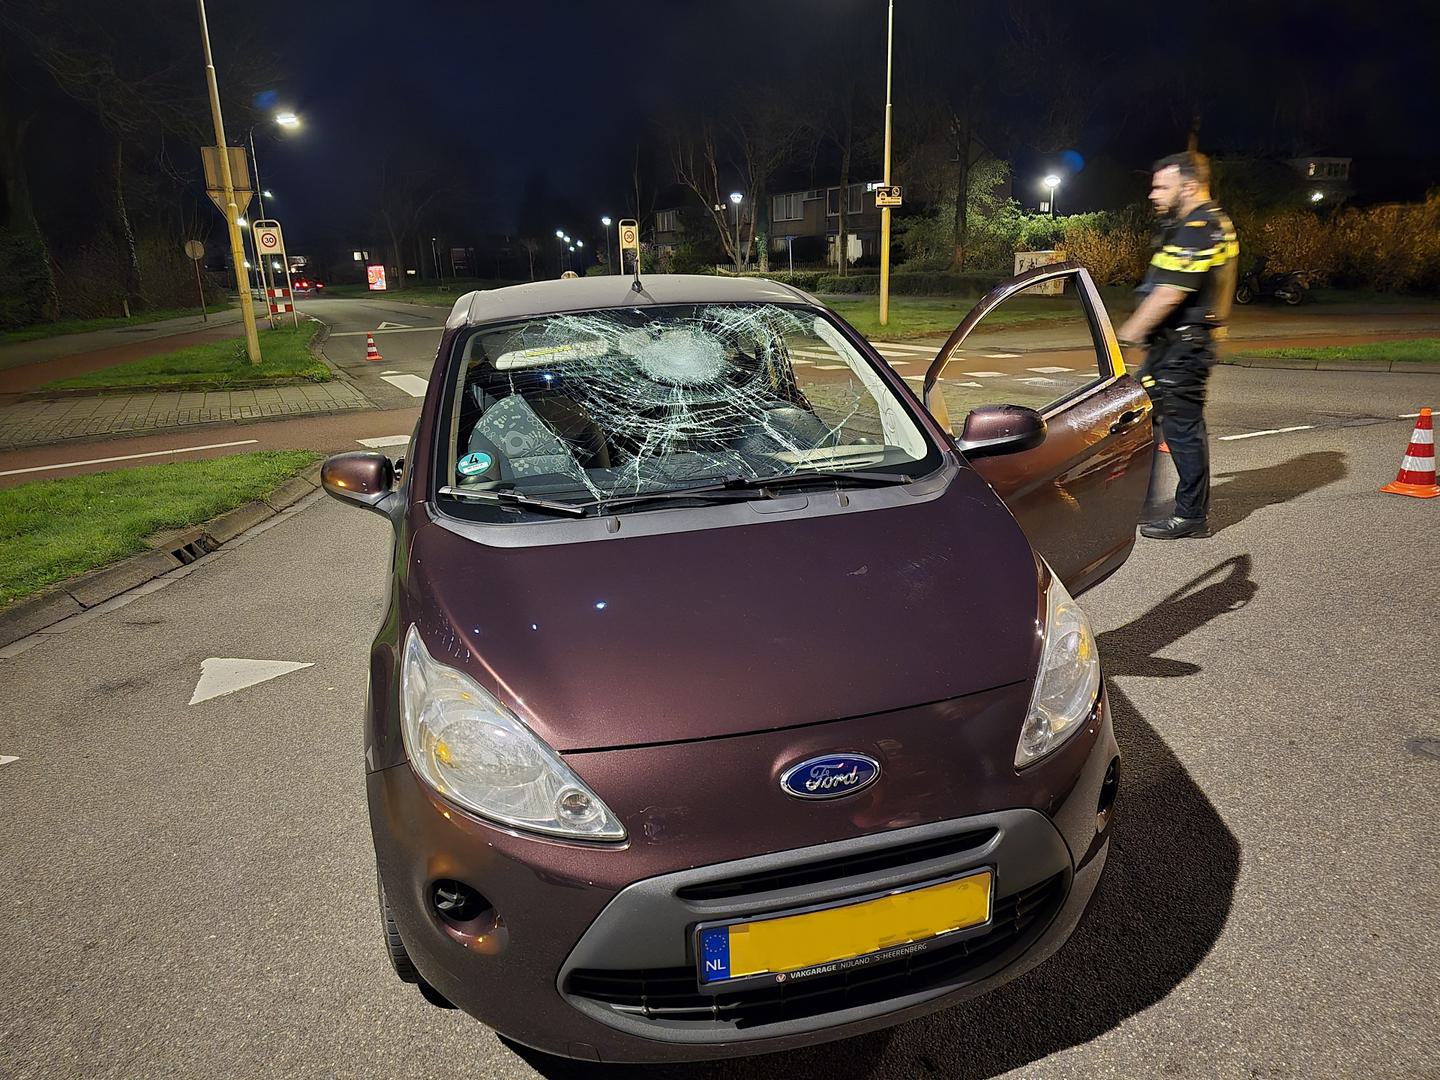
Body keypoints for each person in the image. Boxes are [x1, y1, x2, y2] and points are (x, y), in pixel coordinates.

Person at [1117, 151, 1238, 540]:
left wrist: (1128, 332)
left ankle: (1190, 516)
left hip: (1183, 350)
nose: (1153, 194)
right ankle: (1143, 501)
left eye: (1161, 186)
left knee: (1183, 431)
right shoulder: (1192, 224)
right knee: (1146, 422)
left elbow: (1171, 292)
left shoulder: (1200, 226)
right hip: (1172, 347)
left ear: (1188, 186)